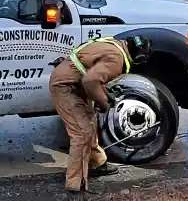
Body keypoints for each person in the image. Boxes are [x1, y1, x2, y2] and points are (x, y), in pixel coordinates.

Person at [49, 35, 152, 195]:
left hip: (75, 84)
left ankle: (98, 162)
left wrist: (106, 94)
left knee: (90, 122)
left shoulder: (114, 44)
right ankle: (75, 184)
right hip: (65, 87)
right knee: (81, 133)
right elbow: (90, 81)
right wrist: (104, 103)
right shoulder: (116, 60)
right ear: (138, 57)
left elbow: (93, 76)